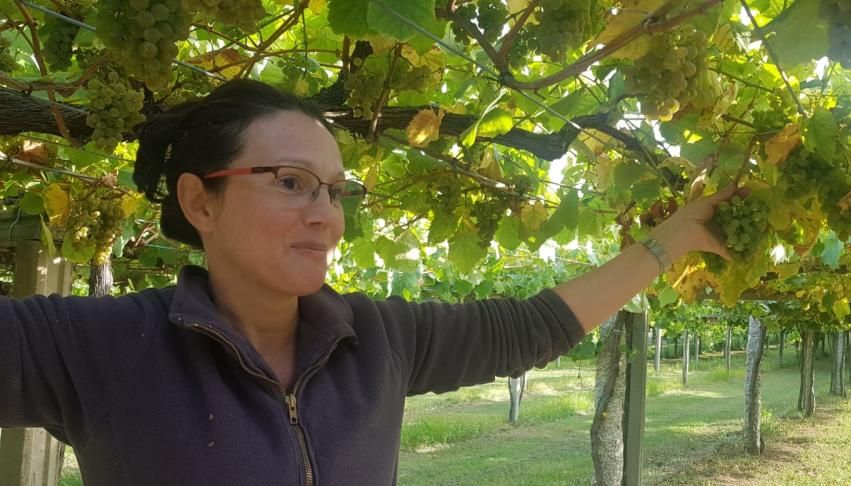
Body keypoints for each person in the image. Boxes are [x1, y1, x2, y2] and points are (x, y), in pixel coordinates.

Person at [0, 80, 733, 485]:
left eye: (335, 191)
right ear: (200, 202)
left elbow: (530, 328)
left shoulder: (377, 339)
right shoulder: (100, 347)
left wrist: (678, 237)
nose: (325, 215)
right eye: (292, 183)